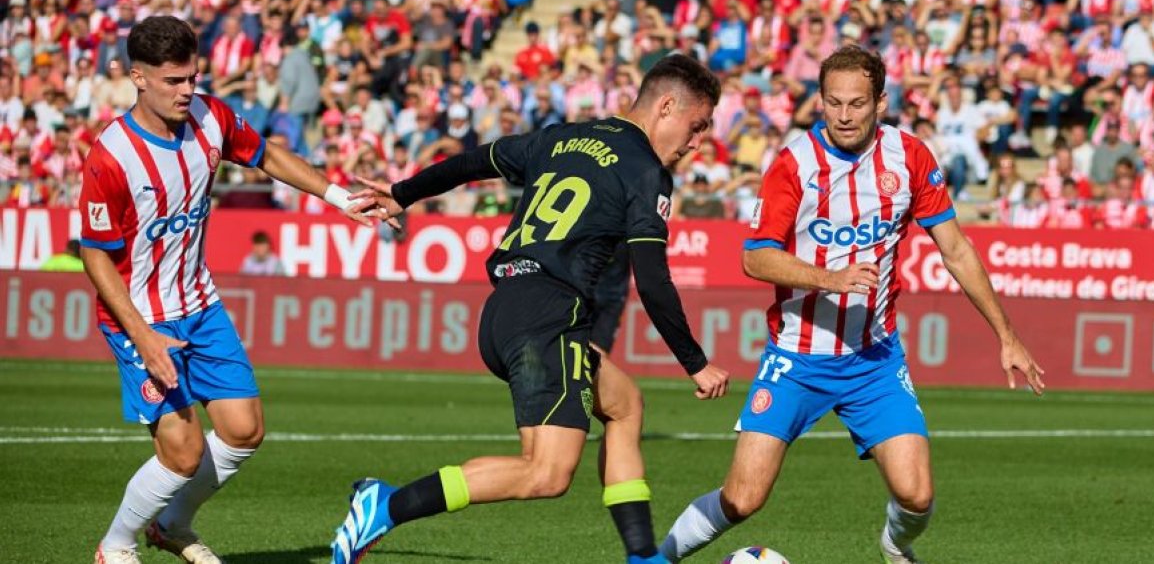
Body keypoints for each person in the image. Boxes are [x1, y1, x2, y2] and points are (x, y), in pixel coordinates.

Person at [331, 53, 732, 564]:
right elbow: (652, 279)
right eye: (696, 127)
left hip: (508, 308)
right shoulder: (645, 171)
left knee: (625, 405)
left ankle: (642, 555)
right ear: (667, 106)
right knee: (545, 473)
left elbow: (477, 160)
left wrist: (404, 193)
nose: (697, 142)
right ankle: (385, 504)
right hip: (549, 315)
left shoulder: (560, 137)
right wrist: (695, 363)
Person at [659, 46, 1046, 563]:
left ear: (881, 102)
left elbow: (955, 249)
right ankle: (654, 560)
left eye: (857, 104)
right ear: (820, 101)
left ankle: (895, 543)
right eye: (833, 103)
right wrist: (830, 278)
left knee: (917, 495)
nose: (844, 115)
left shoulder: (910, 158)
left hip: (874, 360)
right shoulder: (794, 164)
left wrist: (1008, 335)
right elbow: (755, 259)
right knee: (743, 497)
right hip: (796, 357)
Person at [82, 16, 364, 564]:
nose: (188, 90)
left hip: (200, 304)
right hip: (141, 316)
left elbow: (269, 155)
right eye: (173, 81)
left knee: (244, 429)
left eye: (192, 76)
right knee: (183, 453)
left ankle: (172, 525)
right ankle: (115, 545)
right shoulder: (111, 155)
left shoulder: (211, 117)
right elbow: (95, 253)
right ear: (138, 78)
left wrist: (337, 195)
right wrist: (143, 338)